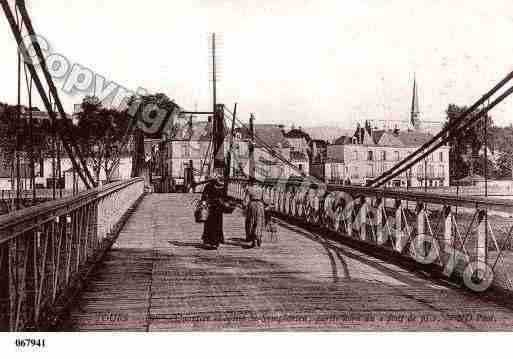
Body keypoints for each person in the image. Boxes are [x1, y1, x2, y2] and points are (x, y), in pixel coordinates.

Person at [200, 174, 228, 249]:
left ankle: (210, 241)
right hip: (216, 207)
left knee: (210, 224)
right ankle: (214, 242)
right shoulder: (221, 187)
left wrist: (204, 203)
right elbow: (225, 198)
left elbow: (203, 197)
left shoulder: (208, 186)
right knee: (216, 224)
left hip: (212, 207)